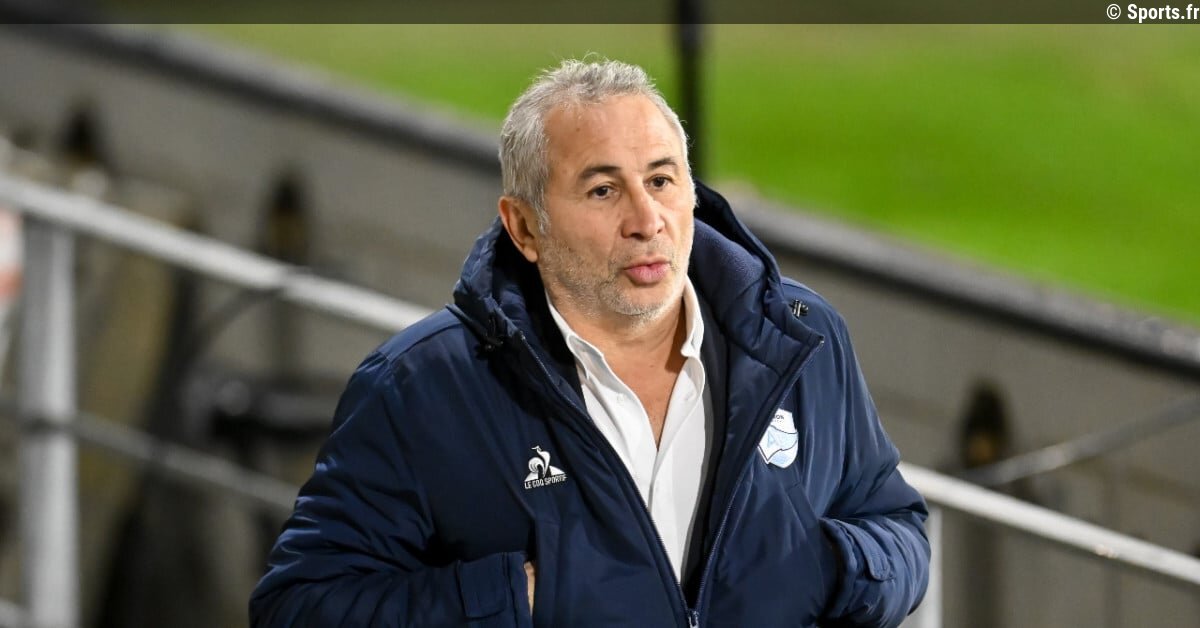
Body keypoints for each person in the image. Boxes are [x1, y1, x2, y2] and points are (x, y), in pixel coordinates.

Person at [250, 58, 929, 628]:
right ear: (525, 228)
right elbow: (299, 606)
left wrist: (829, 567)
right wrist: (513, 600)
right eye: (603, 190)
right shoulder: (420, 386)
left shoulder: (802, 337)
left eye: (661, 180)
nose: (647, 220)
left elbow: (894, 522)